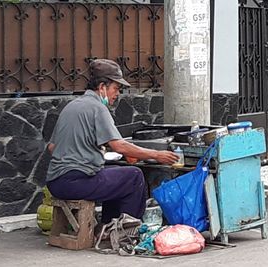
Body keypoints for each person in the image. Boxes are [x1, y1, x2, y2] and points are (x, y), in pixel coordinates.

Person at [46, 59, 178, 224]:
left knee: (114, 174)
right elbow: (118, 145)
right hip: (74, 183)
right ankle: (127, 229)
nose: (117, 94)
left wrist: (89, 151)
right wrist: (156, 155)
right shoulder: (97, 108)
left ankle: (108, 225)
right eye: (116, 88)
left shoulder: (71, 106)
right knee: (134, 176)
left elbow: (52, 148)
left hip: (55, 183)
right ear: (102, 87)